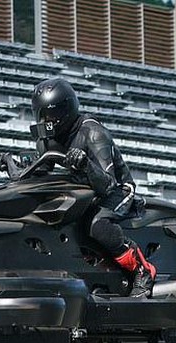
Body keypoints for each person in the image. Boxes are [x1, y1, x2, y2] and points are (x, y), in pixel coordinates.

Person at [11, 77, 157, 297]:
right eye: (40, 114)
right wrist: (12, 165)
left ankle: (142, 271)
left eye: (48, 115)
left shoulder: (93, 133)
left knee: (97, 224)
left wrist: (85, 164)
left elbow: (108, 184)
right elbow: (42, 171)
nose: (44, 120)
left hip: (118, 189)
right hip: (83, 188)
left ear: (64, 112)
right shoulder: (47, 138)